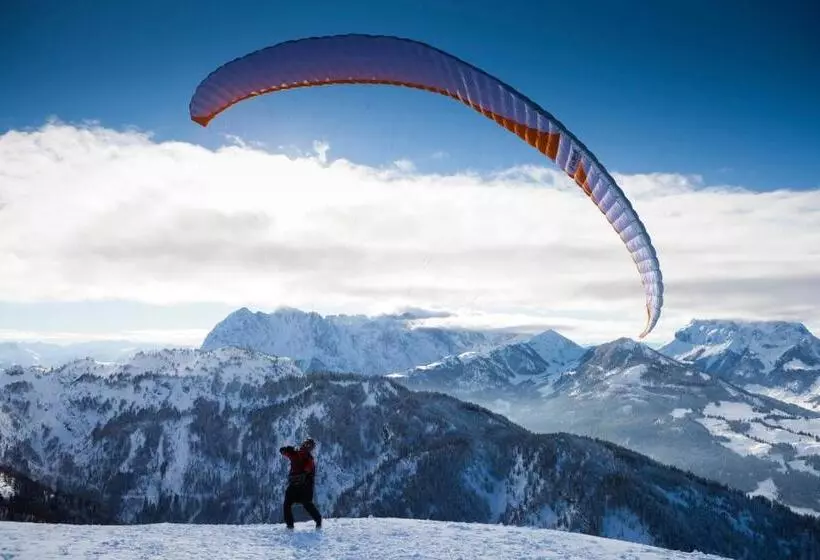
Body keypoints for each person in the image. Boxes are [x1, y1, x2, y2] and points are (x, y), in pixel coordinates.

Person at [279, 437, 322, 529]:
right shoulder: (301, 455)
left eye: (308, 445)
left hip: (301, 486)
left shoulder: (304, 457)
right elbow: (283, 451)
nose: (306, 445)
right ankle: (317, 521)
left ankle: (291, 525)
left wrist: (287, 450)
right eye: (306, 444)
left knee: (302, 504)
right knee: (302, 504)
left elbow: (283, 452)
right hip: (302, 486)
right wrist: (286, 450)